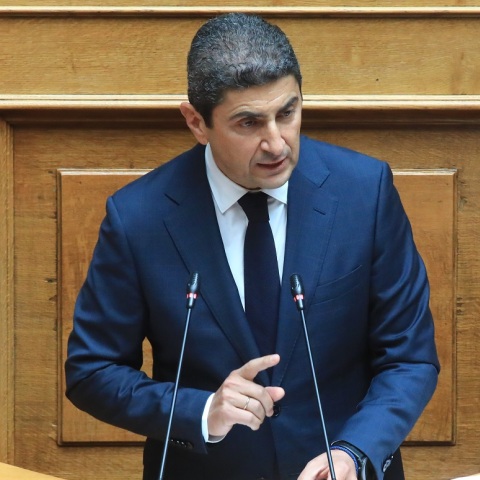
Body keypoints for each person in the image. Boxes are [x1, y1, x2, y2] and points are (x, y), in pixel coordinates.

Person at [65, 12, 439, 480]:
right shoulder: (138, 218)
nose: (276, 143)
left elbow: (409, 357)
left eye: (287, 113)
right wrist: (203, 412)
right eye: (249, 122)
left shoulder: (365, 192)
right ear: (197, 122)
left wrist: (354, 451)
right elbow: (92, 371)